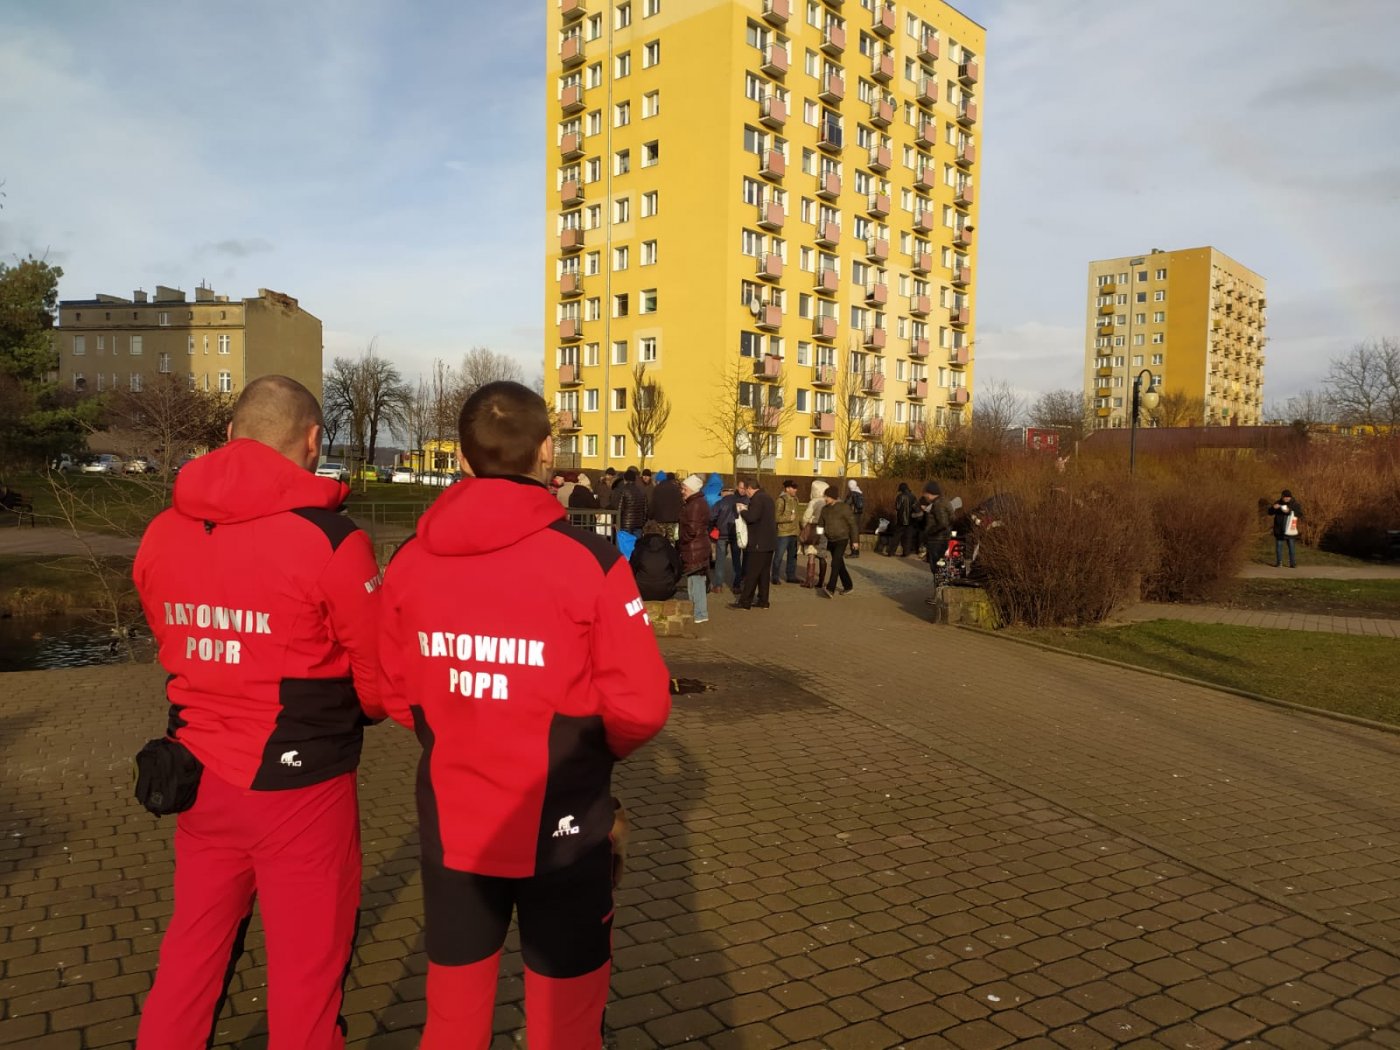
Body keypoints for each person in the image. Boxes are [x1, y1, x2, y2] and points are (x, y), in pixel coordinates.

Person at [379, 381, 670, 1049]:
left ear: (459, 455)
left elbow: (394, 691)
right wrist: (592, 752)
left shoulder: (408, 562)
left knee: (452, 1022)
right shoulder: (590, 560)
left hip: (455, 824)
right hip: (564, 828)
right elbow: (642, 704)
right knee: (565, 1030)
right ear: (548, 451)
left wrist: (463, 723)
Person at [132, 375, 383, 1050]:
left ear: (230, 435)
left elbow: (171, 638)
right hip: (302, 788)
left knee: (190, 958)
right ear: (312, 441)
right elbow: (377, 673)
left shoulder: (162, 531)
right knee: (306, 976)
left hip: (198, 775)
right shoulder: (332, 539)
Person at [731, 477, 776, 610]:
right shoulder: (768, 498)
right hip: (769, 542)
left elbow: (752, 517)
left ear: (750, 488)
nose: (746, 493)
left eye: (746, 490)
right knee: (764, 573)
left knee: (752, 573)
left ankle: (745, 602)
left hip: (758, 542)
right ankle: (763, 601)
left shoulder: (757, 499)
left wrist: (742, 510)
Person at [677, 474, 711, 624]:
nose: (682, 491)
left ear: (691, 489)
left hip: (694, 548)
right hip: (697, 546)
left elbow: (692, 529)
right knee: (694, 579)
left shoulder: (695, 505)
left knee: (696, 580)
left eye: (684, 488)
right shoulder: (696, 502)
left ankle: (700, 613)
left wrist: (682, 540)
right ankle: (697, 612)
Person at [819, 486, 858, 597]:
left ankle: (830, 588)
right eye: (824, 496)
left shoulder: (844, 508)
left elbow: (853, 525)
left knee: (835, 563)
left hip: (842, 539)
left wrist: (855, 541)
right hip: (830, 540)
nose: (825, 499)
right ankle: (848, 586)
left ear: (833, 497)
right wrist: (819, 537)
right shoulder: (824, 509)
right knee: (839, 564)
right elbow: (820, 525)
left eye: (827, 496)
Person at [629, 521, 683, 601]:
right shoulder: (668, 548)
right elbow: (678, 568)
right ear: (661, 533)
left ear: (644, 533)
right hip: (666, 590)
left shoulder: (639, 549)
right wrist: (671, 581)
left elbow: (631, 570)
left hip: (643, 590)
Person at [709, 485, 742, 594]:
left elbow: (712, 518)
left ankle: (718, 586)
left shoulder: (719, 504)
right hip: (736, 534)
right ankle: (737, 585)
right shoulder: (740, 503)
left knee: (720, 561)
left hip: (722, 535)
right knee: (737, 560)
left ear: (724, 492)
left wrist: (712, 528)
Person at [800, 480, 831, 589]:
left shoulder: (814, 502)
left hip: (813, 528)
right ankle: (821, 581)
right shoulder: (827, 501)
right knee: (822, 554)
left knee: (811, 552)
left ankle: (809, 581)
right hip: (823, 530)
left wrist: (804, 525)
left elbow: (805, 517)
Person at [922, 481, 953, 580]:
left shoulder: (938, 504)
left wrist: (930, 531)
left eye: (925, 493)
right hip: (942, 538)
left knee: (936, 568)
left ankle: (939, 590)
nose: (924, 495)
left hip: (936, 540)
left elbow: (942, 523)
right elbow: (951, 519)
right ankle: (940, 589)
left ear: (929, 493)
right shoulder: (945, 502)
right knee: (941, 567)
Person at [772, 479, 802, 584]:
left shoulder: (795, 500)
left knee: (793, 557)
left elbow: (797, 516)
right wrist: (789, 518)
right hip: (783, 533)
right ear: (787, 488)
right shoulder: (781, 500)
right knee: (779, 556)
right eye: (793, 488)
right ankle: (775, 576)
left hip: (794, 532)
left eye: (796, 488)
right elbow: (776, 517)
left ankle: (791, 576)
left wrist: (801, 528)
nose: (795, 490)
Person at [1269, 489, 1304, 568]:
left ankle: (1292, 563)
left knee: (1291, 547)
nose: (1287, 498)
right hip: (1279, 529)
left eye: (1288, 497)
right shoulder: (1277, 503)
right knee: (1279, 546)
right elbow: (1270, 513)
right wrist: (1273, 508)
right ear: (1282, 497)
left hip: (1290, 529)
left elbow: (1300, 514)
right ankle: (1279, 562)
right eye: (1285, 497)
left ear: (1291, 497)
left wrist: (1289, 511)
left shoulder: (1295, 504)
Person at [880, 482, 916, 557]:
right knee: (907, 537)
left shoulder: (900, 496)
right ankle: (906, 553)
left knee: (896, 537)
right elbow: (915, 507)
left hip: (901, 520)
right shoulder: (913, 496)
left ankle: (891, 552)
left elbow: (897, 507)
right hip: (910, 520)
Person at [613, 467, 648, 539]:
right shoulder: (641, 491)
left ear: (625, 479)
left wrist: (616, 521)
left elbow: (620, 508)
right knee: (637, 547)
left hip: (625, 524)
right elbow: (645, 509)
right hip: (638, 525)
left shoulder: (623, 490)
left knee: (625, 546)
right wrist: (643, 522)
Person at [648, 470, 683, 541]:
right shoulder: (675, 488)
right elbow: (680, 503)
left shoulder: (657, 489)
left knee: (661, 540)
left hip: (660, 519)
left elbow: (653, 504)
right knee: (671, 540)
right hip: (673, 520)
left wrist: (650, 516)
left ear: (658, 480)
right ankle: (672, 551)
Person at [844, 480, 866, 558]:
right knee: (856, 533)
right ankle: (856, 551)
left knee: (852, 534)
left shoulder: (852, 494)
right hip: (858, 515)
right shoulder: (860, 493)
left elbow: (846, 504)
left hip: (852, 515)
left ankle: (854, 552)